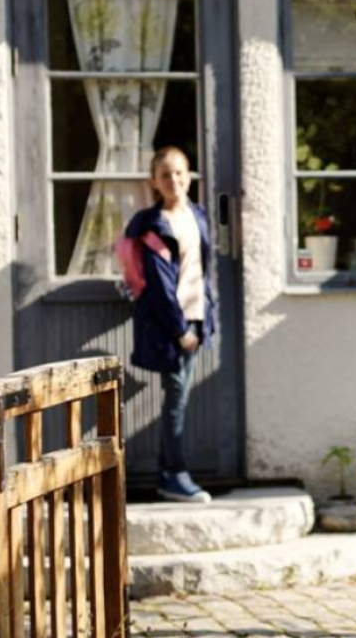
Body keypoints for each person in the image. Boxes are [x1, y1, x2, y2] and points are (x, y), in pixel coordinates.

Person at [123, 146, 217, 503]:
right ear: (154, 182)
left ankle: (170, 472)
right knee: (176, 399)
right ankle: (173, 475)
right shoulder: (153, 225)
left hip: (196, 317)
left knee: (178, 397)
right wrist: (181, 331)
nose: (174, 180)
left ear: (190, 176)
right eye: (165, 174)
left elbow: (203, 269)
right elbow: (161, 285)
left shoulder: (198, 215)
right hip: (172, 326)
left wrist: (207, 313)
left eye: (179, 173)